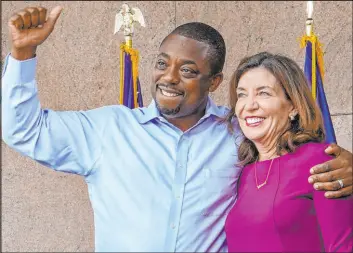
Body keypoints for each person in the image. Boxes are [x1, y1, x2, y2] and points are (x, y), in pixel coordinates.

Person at [2, 6, 352, 252]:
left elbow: (297, 167)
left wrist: (348, 164)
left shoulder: (238, 134)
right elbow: (23, 130)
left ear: (214, 82)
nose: (168, 78)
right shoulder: (107, 129)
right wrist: (23, 53)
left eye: (187, 70)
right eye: (161, 64)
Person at [225, 52, 353, 252]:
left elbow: (342, 246)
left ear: (293, 106)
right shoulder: (245, 173)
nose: (249, 105)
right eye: (242, 94)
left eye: (263, 93)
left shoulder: (319, 160)